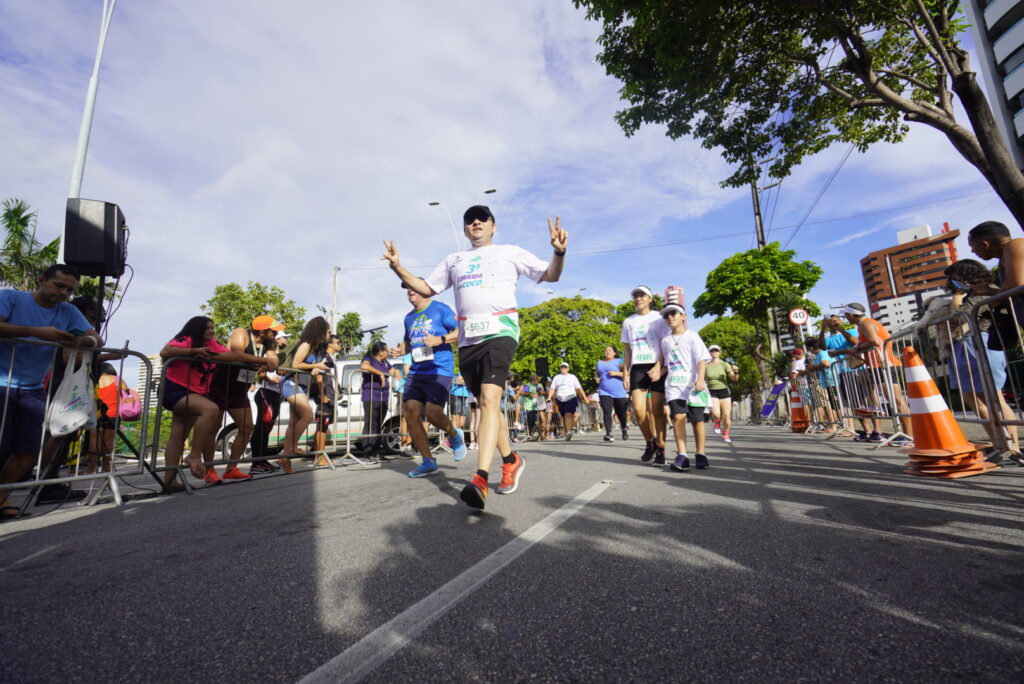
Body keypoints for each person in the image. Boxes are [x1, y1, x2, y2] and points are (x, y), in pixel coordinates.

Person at [382, 204, 567, 509]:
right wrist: (397, 267)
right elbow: (427, 287)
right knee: (485, 405)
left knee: (491, 401)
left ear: (493, 226)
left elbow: (550, 275)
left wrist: (558, 254)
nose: (476, 222)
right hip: (469, 341)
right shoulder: (454, 260)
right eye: (470, 220)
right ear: (465, 229)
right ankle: (511, 459)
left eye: (483, 218)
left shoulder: (510, 252)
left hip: (501, 332)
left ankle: (480, 478)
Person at [0, 264, 102, 516]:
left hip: (33, 387)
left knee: (29, 451)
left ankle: (1, 498)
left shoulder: (67, 310)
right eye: (59, 285)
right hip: (2, 382)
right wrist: (36, 332)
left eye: (69, 289)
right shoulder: (10, 297)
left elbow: (96, 339)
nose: (64, 293)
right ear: (41, 280)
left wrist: (81, 341)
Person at [388, 281, 466, 478]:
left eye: (413, 287)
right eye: (407, 289)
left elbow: (461, 330)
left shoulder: (440, 309)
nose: (409, 291)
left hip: (439, 368)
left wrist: (440, 339)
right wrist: (399, 350)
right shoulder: (409, 317)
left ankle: (455, 435)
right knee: (411, 412)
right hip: (417, 370)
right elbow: (409, 343)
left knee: (432, 412)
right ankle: (428, 461)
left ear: (424, 290)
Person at [943, 260, 1020, 457]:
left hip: (980, 342)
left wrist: (957, 295)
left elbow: (959, 317)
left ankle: (1011, 447)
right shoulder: (975, 292)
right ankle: (999, 443)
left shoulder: (982, 291)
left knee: (994, 397)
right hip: (967, 345)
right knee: (972, 396)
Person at [206, 315, 282, 482]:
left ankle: (231, 468)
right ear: (263, 331)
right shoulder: (242, 333)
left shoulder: (268, 344)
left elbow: (274, 363)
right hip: (220, 385)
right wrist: (262, 361)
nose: (276, 335)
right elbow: (237, 354)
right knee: (214, 427)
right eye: (274, 331)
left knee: (247, 426)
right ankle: (209, 470)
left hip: (239, 389)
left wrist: (266, 361)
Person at [159, 316, 231, 490]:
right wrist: (193, 352)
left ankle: (170, 482)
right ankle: (195, 455)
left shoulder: (213, 343)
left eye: (213, 327)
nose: (212, 331)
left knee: (178, 435)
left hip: (194, 391)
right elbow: (165, 351)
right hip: (174, 389)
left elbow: (230, 354)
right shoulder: (187, 340)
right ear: (198, 329)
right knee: (210, 410)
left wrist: (258, 361)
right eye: (207, 328)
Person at [836, 302, 914, 446]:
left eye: (846, 315)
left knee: (896, 401)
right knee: (894, 400)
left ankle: (909, 436)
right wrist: (857, 349)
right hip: (878, 365)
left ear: (851, 315)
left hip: (884, 364)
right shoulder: (864, 324)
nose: (846, 318)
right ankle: (906, 435)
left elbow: (874, 341)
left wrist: (858, 348)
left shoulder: (865, 323)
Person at [653, 304, 712, 471]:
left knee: (697, 420)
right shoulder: (665, 341)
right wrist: (658, 372)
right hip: (673, 385)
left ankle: (701, 454)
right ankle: (682, 455)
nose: (670, 317)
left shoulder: (692, 336)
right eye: (666, 315)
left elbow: (701, 360)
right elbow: (666, 363)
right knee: (678, 417)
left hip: (693, 385)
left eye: (674, 313)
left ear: (683, 316)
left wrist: (700, 379)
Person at [621, 285, 670, 465]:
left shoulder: (659, 318)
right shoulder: (628, 321)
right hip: (638, 368)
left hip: (656, 365)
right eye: (635, 296)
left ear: (650, 299)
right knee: (639, 410)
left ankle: (662, 449)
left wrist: (659, 366)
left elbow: (666, 344)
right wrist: (626, 373)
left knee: (657, 411)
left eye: (642, 295)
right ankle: (650, 442)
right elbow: (627, 349)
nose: (638, 298)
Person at [279, 317, 332, 472]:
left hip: (300, 385)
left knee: (293, 422)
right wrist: (315, 365)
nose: (329, 334)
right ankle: (292, 449)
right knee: (307, 415)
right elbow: (296, 364)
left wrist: (314, 369)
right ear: (320, 330)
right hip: (290, 383)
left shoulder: (316, 348)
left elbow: (307, 367)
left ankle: (285, 459)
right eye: (327, 331)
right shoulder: (306, 344)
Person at [249, 330, 287, 474]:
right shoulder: (266, 352)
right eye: (283, 337)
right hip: (266, 392)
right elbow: (261, 372)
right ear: (276, 339)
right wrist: (270, 380)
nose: (286, 339)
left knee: (267, 429)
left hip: (275, 393)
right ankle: (256, 462)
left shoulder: (277, 354)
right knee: (261, 427)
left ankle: (262, 460)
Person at [87, 362, 128, 474]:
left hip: (97, 412)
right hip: (113, 413)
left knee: (94, 440)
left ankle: (92, 468)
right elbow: (127, 393)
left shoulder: (94, 379)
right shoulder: (116, 379)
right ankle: (106, 467)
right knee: (108, 441)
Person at [359, 340, 395, 464]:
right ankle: (368, 453)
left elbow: (392, 371)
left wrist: (398, 374)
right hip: (371, 396)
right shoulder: (369, 357)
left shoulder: (385, 362)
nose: (388, 353)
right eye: (387, 351)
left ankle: (377, 452)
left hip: (383, 397)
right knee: (370, 424)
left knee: (379, 425)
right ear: (380, 352)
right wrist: (380, 373)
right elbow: (364, 366)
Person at [312, 334, 343, 466]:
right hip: (325, 396)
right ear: (330, 344)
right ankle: (320, 456)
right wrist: (322, 395)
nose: (340, 345)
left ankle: (318, 455)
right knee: (322, 427)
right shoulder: (324, 357)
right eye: (338, 342)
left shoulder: (331, 358)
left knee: (323, 426)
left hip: (330, 396)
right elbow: (319, 376)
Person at [803, 338, 839, 432]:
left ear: (810, 348)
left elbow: (825, 363)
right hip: (827, 382)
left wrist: (814, 367)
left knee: (836, 405)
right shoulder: (818, 355)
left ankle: (837, 426)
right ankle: (833, 426)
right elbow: (813, 367)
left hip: (832, 381)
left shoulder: (822, 353)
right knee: (832, 405)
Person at [547, 362, 590, 441]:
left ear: (568, 369)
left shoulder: (572, 377)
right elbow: (552, 388)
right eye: (562, 367)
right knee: (564, 416)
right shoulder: (556, 377)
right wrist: (549, 397)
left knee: (568, 414)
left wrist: (585, 398)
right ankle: (567, 432)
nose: (563, 368)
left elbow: (579, 388)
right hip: (560, 399)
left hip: (571, 397)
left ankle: (569, 431)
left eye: (565, 367)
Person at [705, 344, 738, 443]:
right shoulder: (706, 365)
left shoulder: (724, 364)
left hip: (724, 391)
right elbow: (701, 377)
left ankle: (726, 433)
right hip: (711, 391)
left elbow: (734, 379)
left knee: (727, 416)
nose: (714, 352)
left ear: (719, 352)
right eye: (712, 351)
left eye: (716, 350)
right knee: (716, 413)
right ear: (709, 353)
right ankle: (717, 422)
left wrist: (736, 372)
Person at [596, 346, 629, 442]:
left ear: (614, 353)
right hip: (604, 390)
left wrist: (616, 373)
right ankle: (609, 433)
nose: (607, 351)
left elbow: (628, 373)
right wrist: (596, 378)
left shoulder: (619, 361)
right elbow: (597, 373)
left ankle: (624, 428)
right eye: (606, 350)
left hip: (619, 391)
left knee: (621, 413)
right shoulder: (600, 363)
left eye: (609, 350)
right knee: (607, 411)